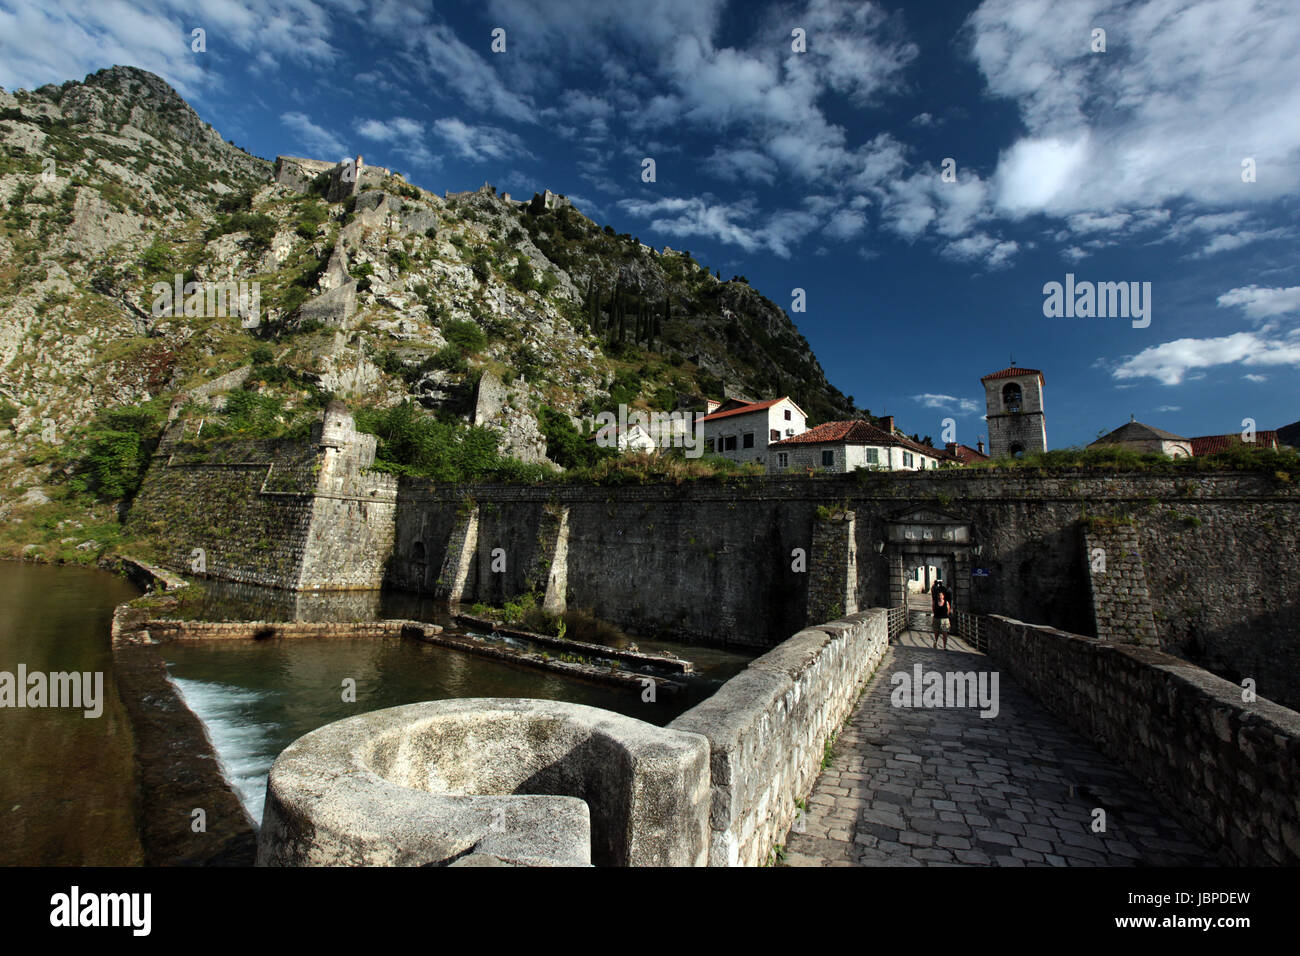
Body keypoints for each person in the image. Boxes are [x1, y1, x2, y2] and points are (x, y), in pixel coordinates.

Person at [932, 580, 952, 650]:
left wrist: (946, 616)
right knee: (936, 633)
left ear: (943, 596)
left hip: (944, 619)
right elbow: (933, 609)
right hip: (937, 618)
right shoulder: (935, 602)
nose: (940, 597)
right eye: (939, 595)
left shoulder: (946, 602)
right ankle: (936, 642)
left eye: (941, 595)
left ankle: (944, 646)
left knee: (945, 633)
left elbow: (948, 610)